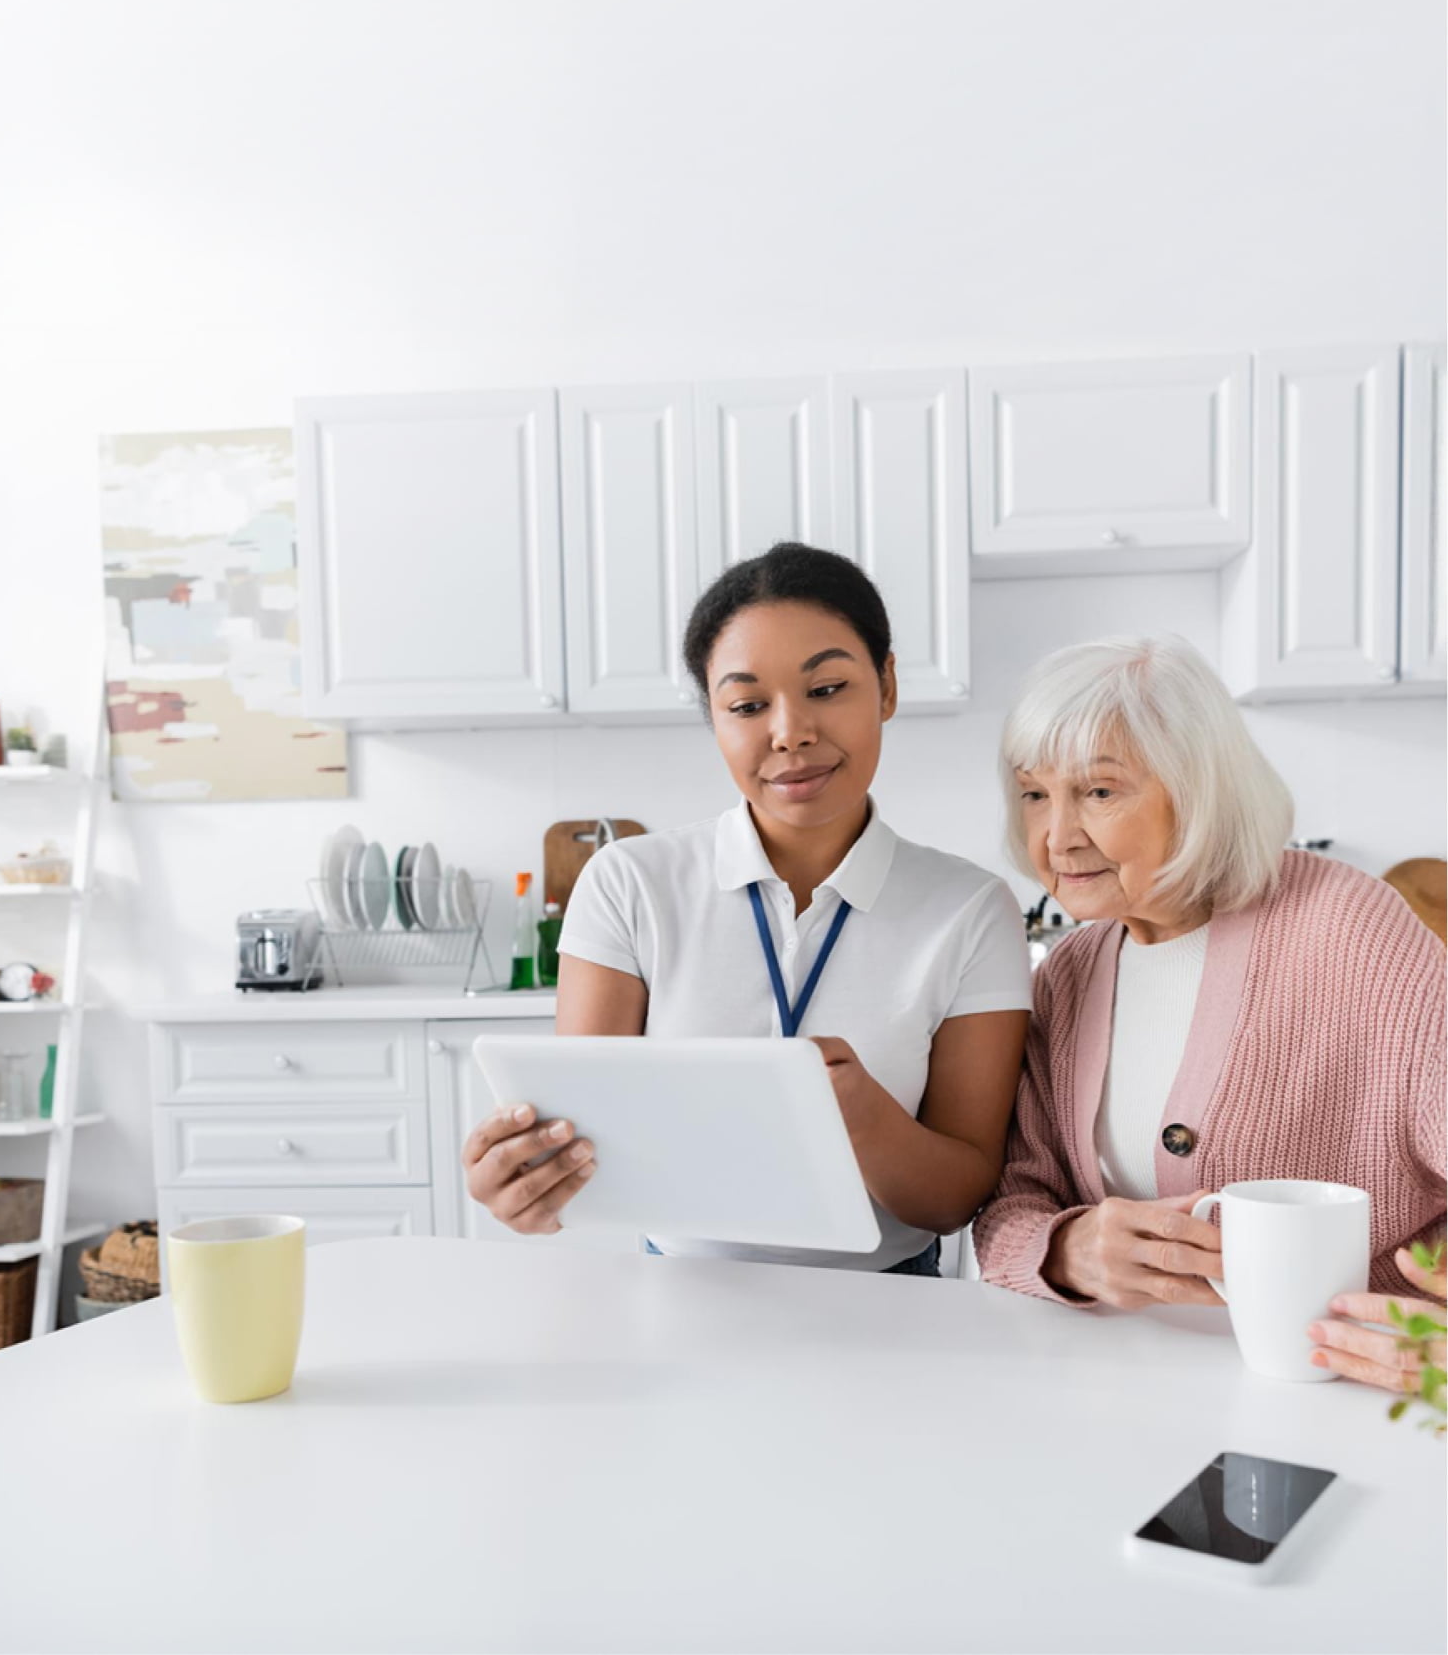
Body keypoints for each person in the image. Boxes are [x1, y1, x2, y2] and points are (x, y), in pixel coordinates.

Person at [462, 542, 1032, 1276]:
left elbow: (956, 1199)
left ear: (886, 685)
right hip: (680, 1289)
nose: (789, 731)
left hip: (889, 1303)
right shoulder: (628, 884)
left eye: (827, 688)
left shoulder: (972, 908)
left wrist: (859, 1111)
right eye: (747, 705)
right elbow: (580, 1146)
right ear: (714, 717)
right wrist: (527, 1185)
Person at [973, 635, 1446, 1395]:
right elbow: (1014, 1204)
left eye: (1098, 792)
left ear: (1198, 790)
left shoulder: (1350, 923)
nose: (1056, 837)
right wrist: (1068, 1250)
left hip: (1352, 1388)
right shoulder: (1070, 971)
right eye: (1035, 794)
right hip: (1138, 1387)